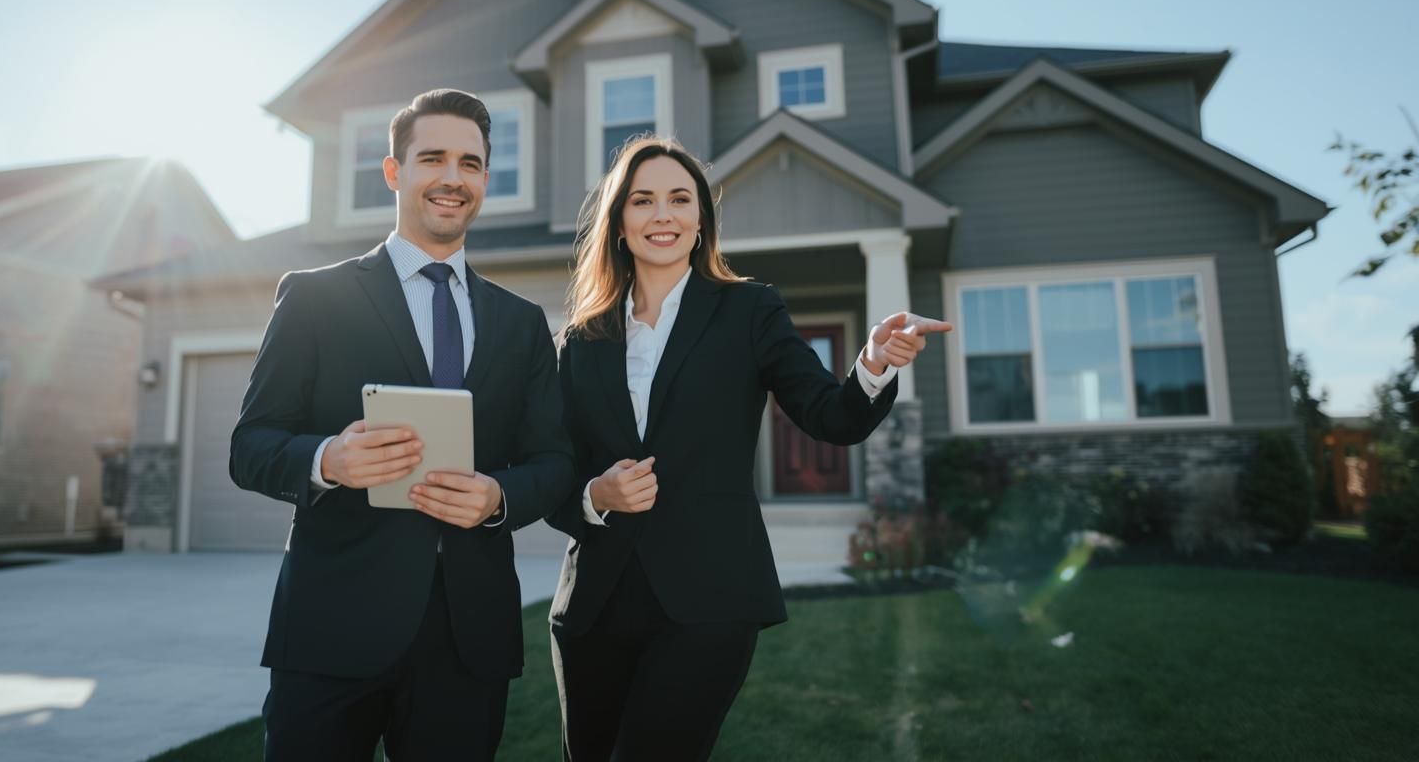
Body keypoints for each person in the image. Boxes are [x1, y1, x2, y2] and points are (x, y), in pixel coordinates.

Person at [545, 136, 951, 761]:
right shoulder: (581, 338)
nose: (663, 215)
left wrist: (873, 362)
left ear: (700, 219)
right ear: (619, 223)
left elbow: (832, 416)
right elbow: (553, 470)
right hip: (596, 606)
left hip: (709, 600)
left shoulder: (748, 310)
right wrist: (595, 496)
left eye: (680, 199)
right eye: (644, 201)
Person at [231, 89, 575, 761]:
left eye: (471, 163)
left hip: (467, 638)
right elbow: (251, 446)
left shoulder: (522, 323)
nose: (453, 178)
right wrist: (328, 458)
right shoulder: (315, 298)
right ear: (395, 172)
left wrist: (499, 497)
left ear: (484, 181)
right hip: (331, 629)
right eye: (434, 158)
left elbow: (554, 461)